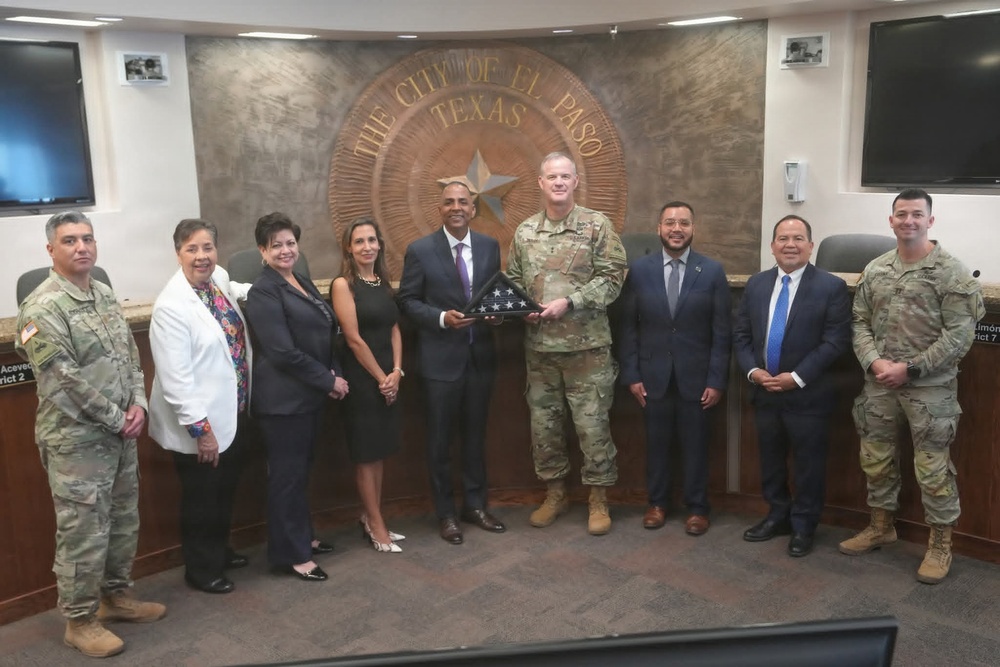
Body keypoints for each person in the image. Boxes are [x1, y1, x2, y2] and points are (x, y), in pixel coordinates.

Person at [15, 211, 165, 658]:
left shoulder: (103, 293)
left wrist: (138, 402)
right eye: (69, 241)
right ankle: (79, 621)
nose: (82, 247)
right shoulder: (41, 307)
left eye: (87, 238)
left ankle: (115, 598)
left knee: (122, 521)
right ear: (51, 250)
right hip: (76, 442)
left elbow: (131, 356)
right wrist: (118, 418)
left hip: (121, 433)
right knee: (83, 530)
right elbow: (64, 381)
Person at [840, 188, 984, 583]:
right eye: (901, 214)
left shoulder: (952, 273)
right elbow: (859, 322)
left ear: (930, 221)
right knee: (876, 457)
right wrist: (874, 361)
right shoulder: (876, 269)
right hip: (879, 383)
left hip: (929, 390)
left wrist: (911, 369)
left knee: (933, 468)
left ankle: (940, 543)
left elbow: (959, 337)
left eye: (917, 214)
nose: (908, 221)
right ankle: (882, 525)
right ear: (891, 220)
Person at [507, 151, 627, 536]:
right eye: (551, 177)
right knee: (545, 428)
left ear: (576, 182)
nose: (558, 182)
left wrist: (571, 301)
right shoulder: (525, 232)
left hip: (587, 351)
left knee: (593, 428)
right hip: (540, 351)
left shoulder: (597, 225)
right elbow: (513, 281)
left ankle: (598, 499)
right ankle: (555, 494)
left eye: (565, 177)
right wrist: (521, 309)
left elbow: (613, 278)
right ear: (540, 183)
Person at [733, 215, 851, 557]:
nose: (790, 244)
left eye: (798, 238)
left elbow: (835, 342)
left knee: (808, 465)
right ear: (772, 246)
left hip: (808, 394)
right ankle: (778, 516)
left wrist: (796, 377)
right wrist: (753, 371)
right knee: (770, 461)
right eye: (783, 238)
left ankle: (803, 526)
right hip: (764, 390)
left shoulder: (830, 287)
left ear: (811, 246)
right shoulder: (756, 284)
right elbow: (740, 335)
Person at [398, 182, 507, 545]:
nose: (456, 207)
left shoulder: (490, 247)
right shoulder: (420, 250)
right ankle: (446, 514)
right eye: (449, 202)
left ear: (473, 209)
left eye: (463, 202)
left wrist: (497, 316)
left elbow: (494, 295)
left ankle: (475, 506)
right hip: (440, 363)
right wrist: (442, 317)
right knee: (440, 442)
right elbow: (408, 301)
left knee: (476, 438)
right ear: (440, 209)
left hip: (480, 358)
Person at [148, 219, 252, 595]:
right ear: (178, 254)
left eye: (207, 247)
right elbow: (177, 383)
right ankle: (201, 569)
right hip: (199, 425)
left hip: (232, 411)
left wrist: (269, 286)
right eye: (192, 249)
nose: (201, 256)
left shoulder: (218, 278)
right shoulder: (171, 307)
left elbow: (238, 288)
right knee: (201, 500)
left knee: (223, 492)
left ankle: (220, 551)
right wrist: (202, 432)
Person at [245, 212, 349, 581]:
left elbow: (325, 328)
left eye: (290, 243)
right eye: (277, 245)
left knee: (300, 474)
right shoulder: (263, 291)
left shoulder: (298, 279)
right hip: (283, 403)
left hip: (308, 397)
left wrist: (334, 370)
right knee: (286, 478)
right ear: (262, 250)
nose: (286, 250)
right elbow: (282, 351)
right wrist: (328, 380)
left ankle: (302, 537)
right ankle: (292, 554)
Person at [618, 201, 730, 536]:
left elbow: (721, 332)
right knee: (656, 444)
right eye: (669, 222)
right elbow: (628, 328)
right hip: (652, 378)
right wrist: (632, 375)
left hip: (697, 379)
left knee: (696, 446)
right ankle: (657, 504)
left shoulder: (711, 271)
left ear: (693, 228)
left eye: (683, 223)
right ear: (659, 228)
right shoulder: (640, 270)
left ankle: (698, 508)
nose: (676, 229)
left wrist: (716, 379)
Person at [331, 217, 405, 553]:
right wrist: (381, 379)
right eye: (359, 241)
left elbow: (394, 329)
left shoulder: (382, 282)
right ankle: (376, 524)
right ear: (349, 247)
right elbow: (353, 339)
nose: (367, 247)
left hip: (389, 379)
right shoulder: (343, 285)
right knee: (365, 454)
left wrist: (397, 372)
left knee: (379, 452)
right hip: (363, 382)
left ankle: (372, 515)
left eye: (372, 240)